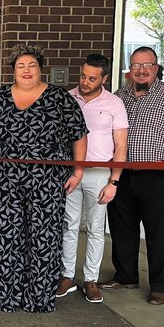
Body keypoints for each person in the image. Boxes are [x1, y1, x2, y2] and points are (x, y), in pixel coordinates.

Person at [0, 44, 87, 313]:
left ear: (41, 68)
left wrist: (78, 171)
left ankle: (38, 298)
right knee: (7, 237)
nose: (27, 70)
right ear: (13, 70)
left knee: (44, 236)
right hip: (5, 179)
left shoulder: (60, 98)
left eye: (32, 65)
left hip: (48, 179)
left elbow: (78, 134)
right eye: (21, 66)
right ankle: (9, 296)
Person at [100, 46, 164, 306]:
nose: (141, 70)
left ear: (156, 68)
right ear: (130, 69)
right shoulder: (119, 96)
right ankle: (126, 275)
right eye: (136, 65)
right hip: (122, 174)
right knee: (122, 228)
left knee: (157, 232)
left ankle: (158, 285)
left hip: (156, 175)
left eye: (147, 65)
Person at [58, 54, 127, 303]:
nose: (85, 82)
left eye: (92, 78)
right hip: (70, 172)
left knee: (97, 229)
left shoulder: (114, 103)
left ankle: (91, 280)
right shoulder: (67, 97)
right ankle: (67, 276)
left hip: (99, 173)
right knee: (69, 225)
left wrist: (114, 181)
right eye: (83, 76)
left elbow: (121, 146)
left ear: (104, 79)